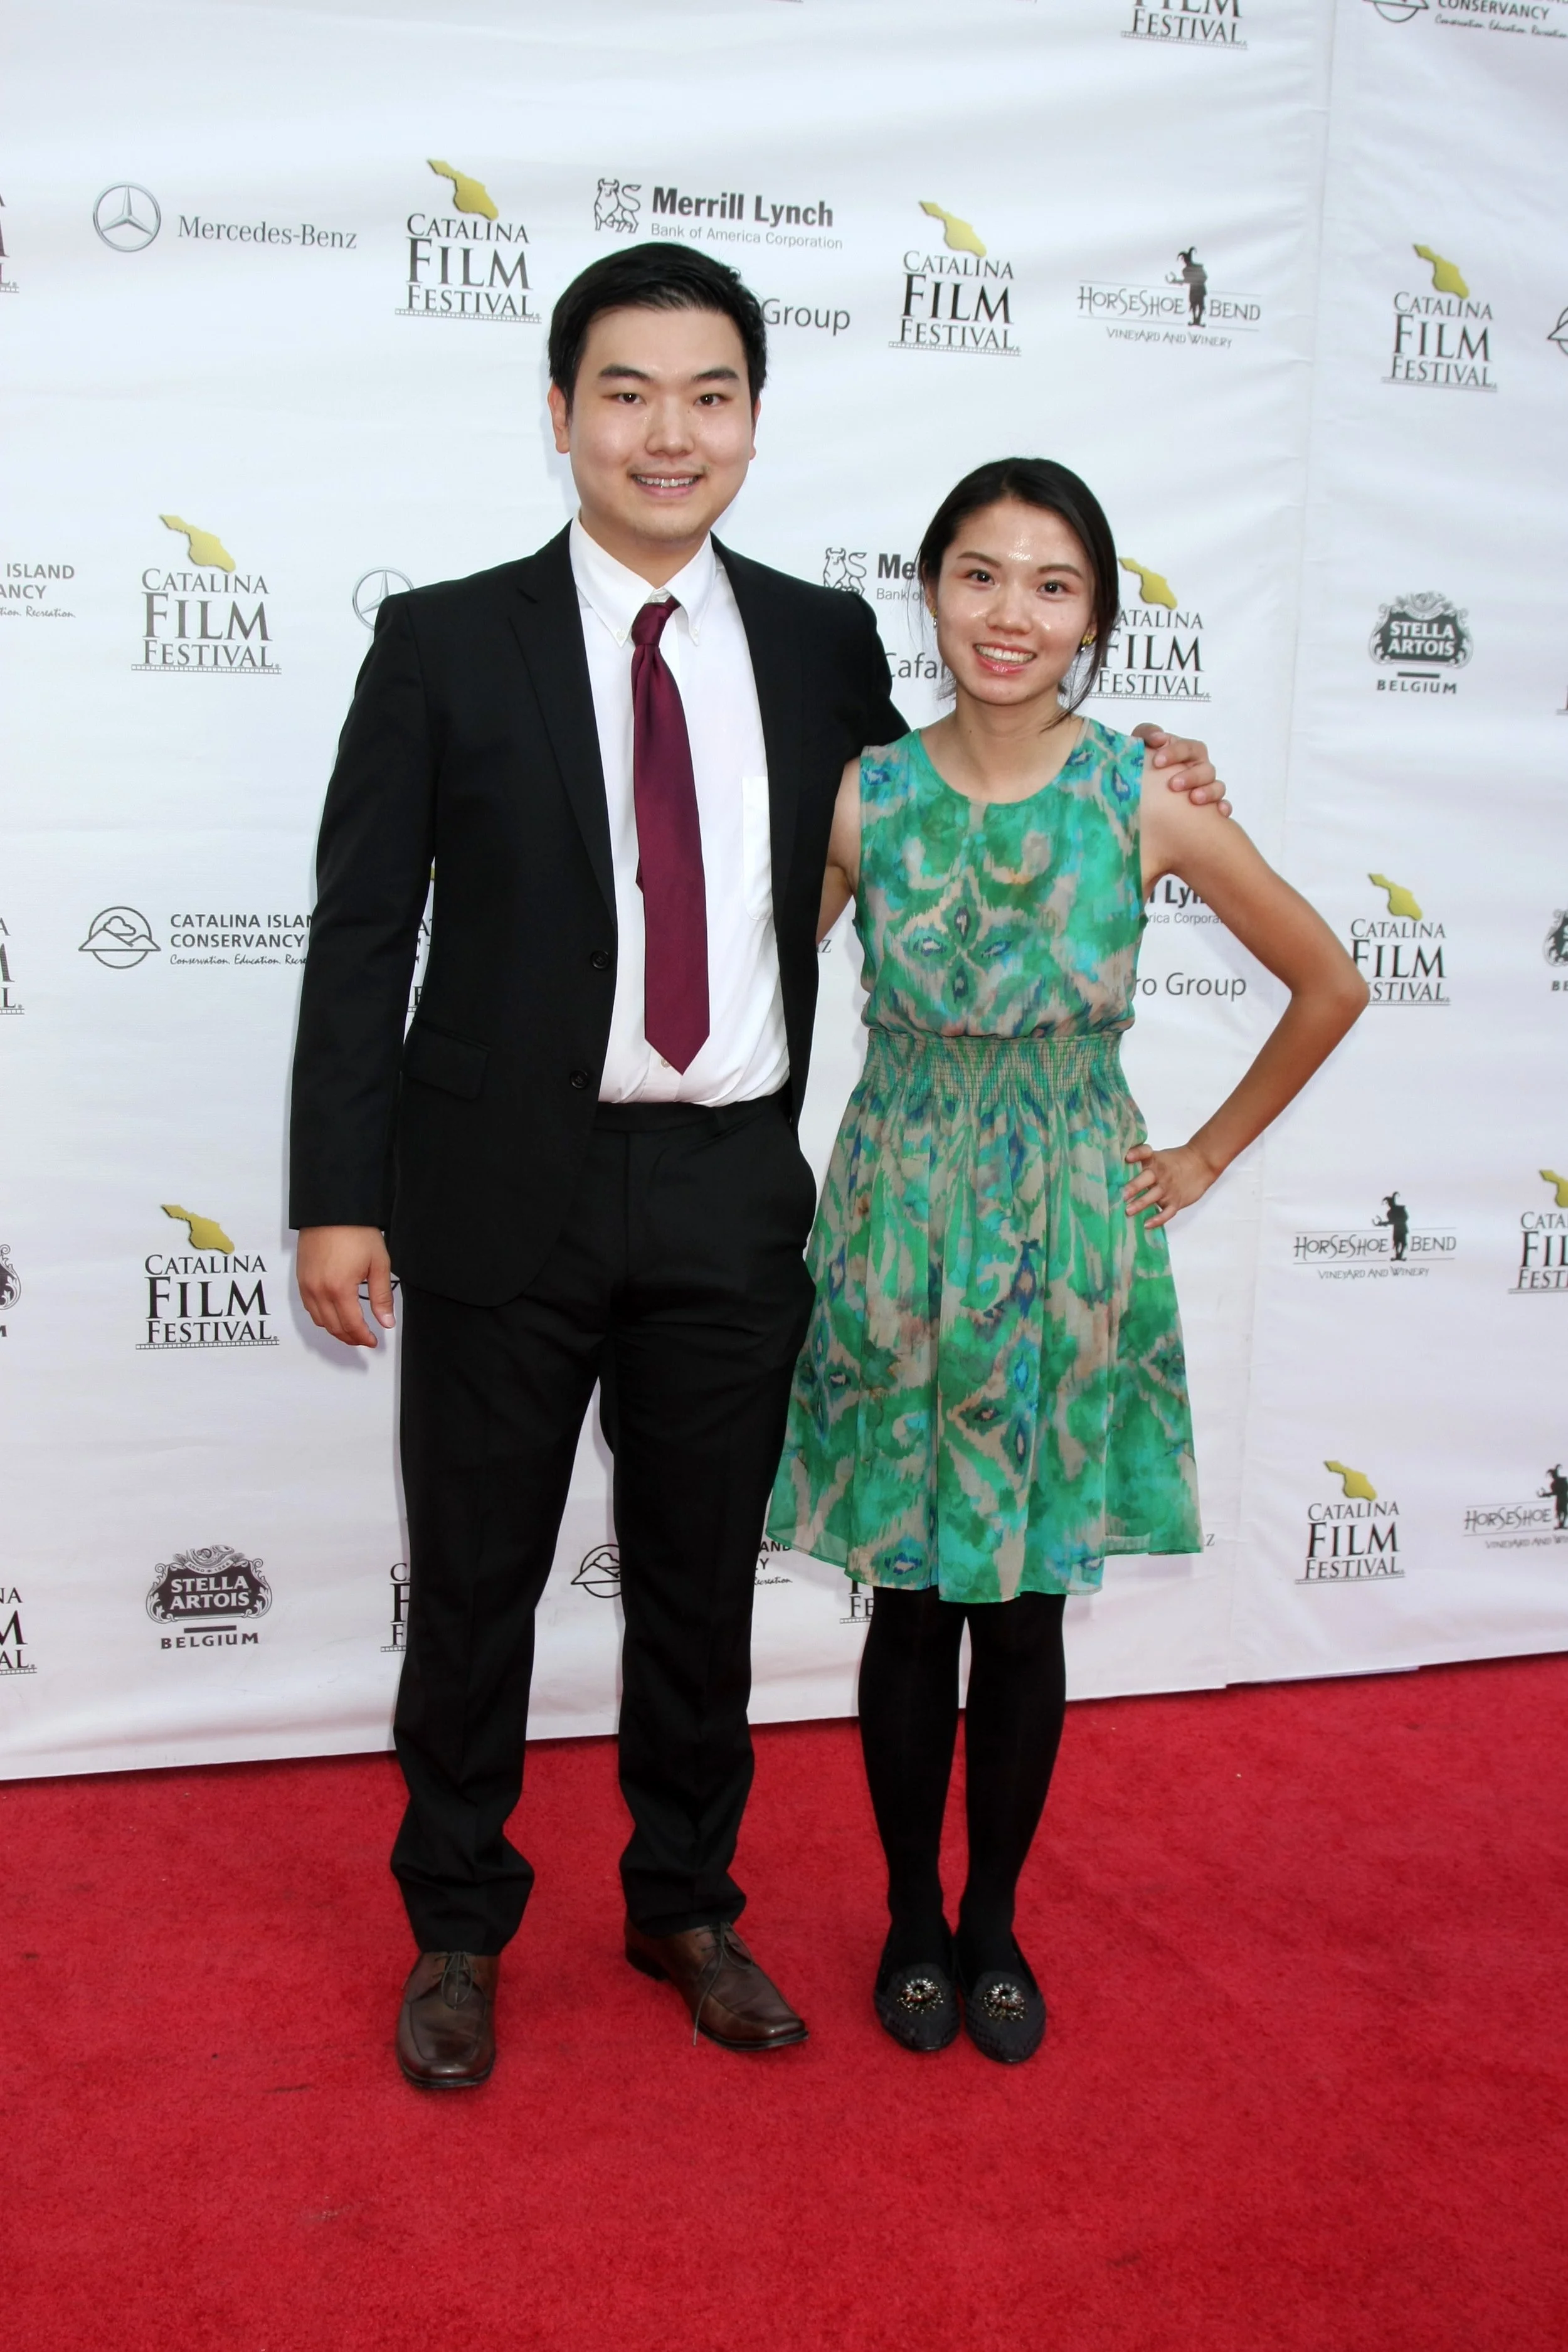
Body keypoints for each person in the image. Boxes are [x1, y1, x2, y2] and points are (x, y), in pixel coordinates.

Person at [289, 248, 1228, 2088]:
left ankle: (683, 1901)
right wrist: (340, 1188)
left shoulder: (815, 642)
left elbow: (968, 786)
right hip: (500, 1188)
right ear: (557, 412)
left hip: (732, 1185)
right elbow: (355, 931)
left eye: (705, 394)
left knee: (701, 1578)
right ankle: (460, 1926)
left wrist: (1149, 764)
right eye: (625, 391)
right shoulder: (441, 638)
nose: (666, 430)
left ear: (749, 420)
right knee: (475, 1579)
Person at [768, 457, 1367, 2065]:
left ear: (1096, 615)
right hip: (898, 1221)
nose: (1007, 614)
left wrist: (1203, 1156)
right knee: (907, 1603)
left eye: (1049, 585)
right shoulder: (860, 797)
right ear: (931, 592)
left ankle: (993, 1924)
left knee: (1023, 1607)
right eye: (977, 575)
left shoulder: (1145, 797)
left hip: (1067, 1235)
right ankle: (906, 1914)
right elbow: (744, 982)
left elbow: (1327, 979)